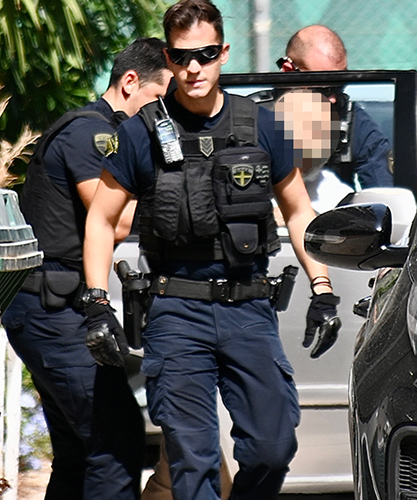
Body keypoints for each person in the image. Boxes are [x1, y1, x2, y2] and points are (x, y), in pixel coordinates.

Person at [82, 1, 342, 498]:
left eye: (204, 54)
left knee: (272, 448)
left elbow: (298, 211)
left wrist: (323, 288)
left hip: (249, 307)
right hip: (176, 311)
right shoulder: (141, 131)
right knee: (193, 460)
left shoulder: (262, 125)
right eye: (181, 57)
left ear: (223, 52)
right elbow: (101, 218)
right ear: (168, 57)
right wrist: (95, 302)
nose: (194, 68)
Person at [1, 38, 171, 500]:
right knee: (114, 440)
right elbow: (112, 219)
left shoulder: (102, 130)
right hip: (54, 310)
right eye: (159, 98)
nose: (163, 112)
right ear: (130, 81)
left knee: (79, 453)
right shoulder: (93, 134)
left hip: (50, 305)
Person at [280, 24, 394, 190]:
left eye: (340, 86)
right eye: (322, 89)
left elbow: (383, 197)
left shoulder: (356, 127)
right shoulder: (251, 121)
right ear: (288, 71)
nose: (333, 99)